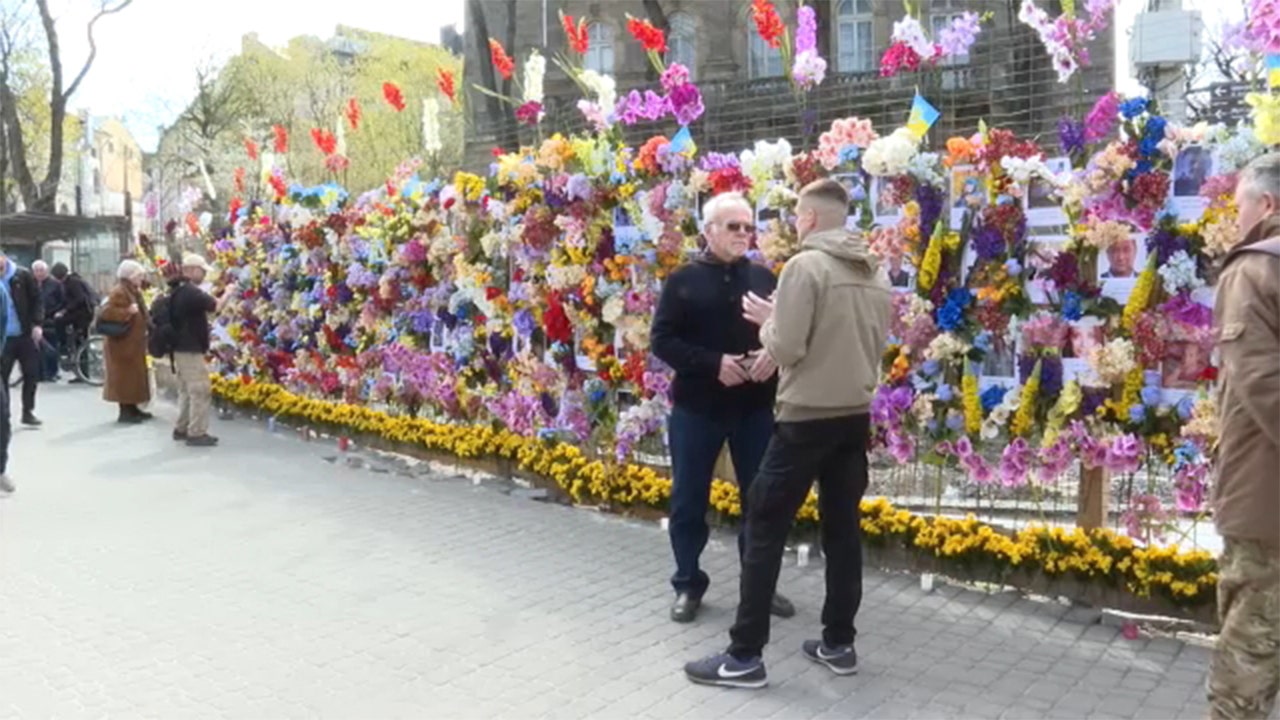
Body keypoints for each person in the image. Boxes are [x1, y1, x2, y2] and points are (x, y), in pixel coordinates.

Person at [684, 179, 891, 689]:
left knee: (763, 528)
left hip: (804, 419)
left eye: (797, 215)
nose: (793, 224)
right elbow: (865, 340)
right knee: (842, 533)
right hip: (854, 417)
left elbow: (789, 348)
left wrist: (769, 322)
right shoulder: (874, 270)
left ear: (811, 219)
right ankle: (838, 643)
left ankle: (744, 656)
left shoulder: (805, 266)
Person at [650, 192, 794, 624]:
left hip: (754, 407)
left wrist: (773, 352)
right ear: (709, 230)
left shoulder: (766, 278)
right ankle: (688, 582)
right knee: (689, 498)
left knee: (762, 500)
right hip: (698, 407)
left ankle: (759, 586)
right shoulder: (682, 280)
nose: (743, 234)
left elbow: (787, 332)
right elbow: (662, 341)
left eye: (749, 226)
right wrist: (714, 364)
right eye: (733, 226)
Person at [1207, 152, 1280, 720]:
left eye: (1239, 207)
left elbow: (1262, 382)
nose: (1235, 220)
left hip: (1266, 503)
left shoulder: (1255, 269)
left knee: (1245, 666)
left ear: (1268, 205)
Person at [166, 253, 235, 447]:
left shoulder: (178, 290)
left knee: (187, 390)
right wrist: (228, 292)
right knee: (200, 390)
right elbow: (216, 307)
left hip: (179, 348)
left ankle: (182, 427)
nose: (204, 275)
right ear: (192, 270)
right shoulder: (191, 292)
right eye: (202, 271)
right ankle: (196, 432)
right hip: (190, 349)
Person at [100, 260, 152, 424]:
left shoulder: (132, 290)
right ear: (130, 276)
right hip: (122, 345)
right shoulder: (120, 291)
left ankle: (133, 408)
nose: (141, 278)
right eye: (139, 275)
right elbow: (106, 313)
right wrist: (126, 312)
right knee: (125, 379)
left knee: (133, 378)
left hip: (132, 344)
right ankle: (125, 411)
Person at [0, 254, 44, 426]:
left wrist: (37, 324)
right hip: (4, 338)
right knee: (2, 378)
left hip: (25, 333)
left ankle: (28, 411)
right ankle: (5, 415)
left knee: (31, 374)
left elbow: (37, 300)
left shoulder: (22, 275)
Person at [51, 262, 95, 378]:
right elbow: (66, 301)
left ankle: (64, 346)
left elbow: (79, 299)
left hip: (83, 315)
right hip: (79, 314)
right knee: (78, 342)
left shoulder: (73, 282)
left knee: (60, 322)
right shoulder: (70, 281)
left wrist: (64, 311)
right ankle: (80, 373)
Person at [33, 260, 64, 382]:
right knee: (37, 347)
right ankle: (40, 372)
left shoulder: (55, 284)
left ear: (46, 271)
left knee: (51, 345)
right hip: (37, 320)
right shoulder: (32, 283)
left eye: (42, 270)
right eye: (37, 271)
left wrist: (56, 312)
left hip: (50, 319)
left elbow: (62, 301)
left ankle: (52, 372)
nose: (39, 273)